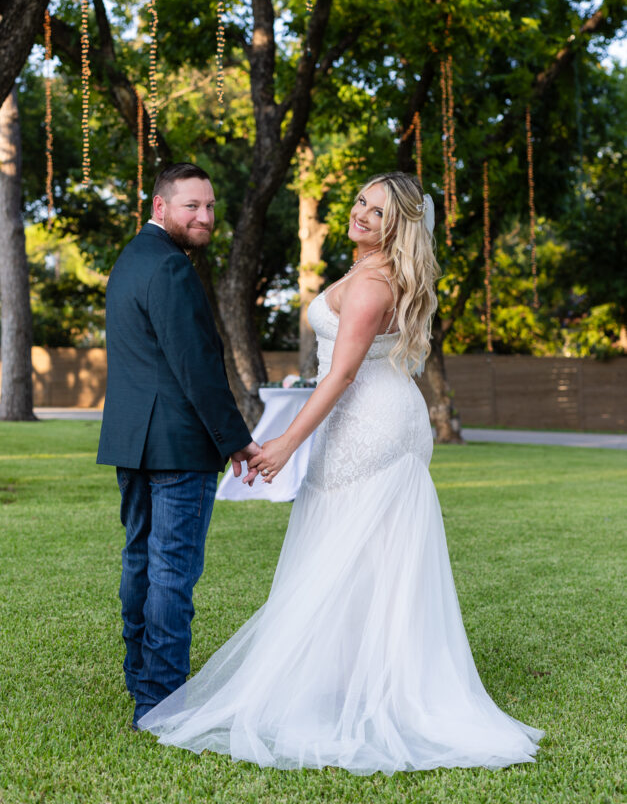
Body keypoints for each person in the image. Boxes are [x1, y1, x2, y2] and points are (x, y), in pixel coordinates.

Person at [138, 172, 543, 772]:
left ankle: (373, 694)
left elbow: (344, 374)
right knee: (357, 554)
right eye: (360, 202)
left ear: (398, 226)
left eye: (378, 212)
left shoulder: (373, 283)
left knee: (353, 550)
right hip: (369, 411)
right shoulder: (369, 273)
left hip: (370, 423)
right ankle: (354, 680)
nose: (360, 215)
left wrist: (283, 444)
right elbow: (340, 367)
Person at [97, 162, 260, 728]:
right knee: (171, 570)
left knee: (141, 559)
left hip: (134, 441)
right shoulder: (169, 269)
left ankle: (143, 680)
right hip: (177, 445)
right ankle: (162, 701)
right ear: (161, 207)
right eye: (192, 206)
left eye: (211, 206)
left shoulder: (130, 261)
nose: (206, 216)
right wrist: (236, 441)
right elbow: (196, 369)